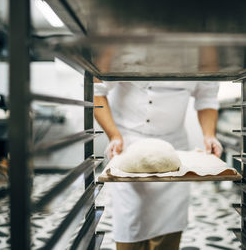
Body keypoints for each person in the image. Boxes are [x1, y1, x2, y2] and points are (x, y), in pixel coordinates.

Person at [94, 79, 223, 250]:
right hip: (128, 143)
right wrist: (114, 135)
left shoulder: (201, 53)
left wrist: (209, 135)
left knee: (169, 221)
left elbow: (207, 96)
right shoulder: (118, 52)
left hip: (174, 146)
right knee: (130, 220)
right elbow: (96, 90)